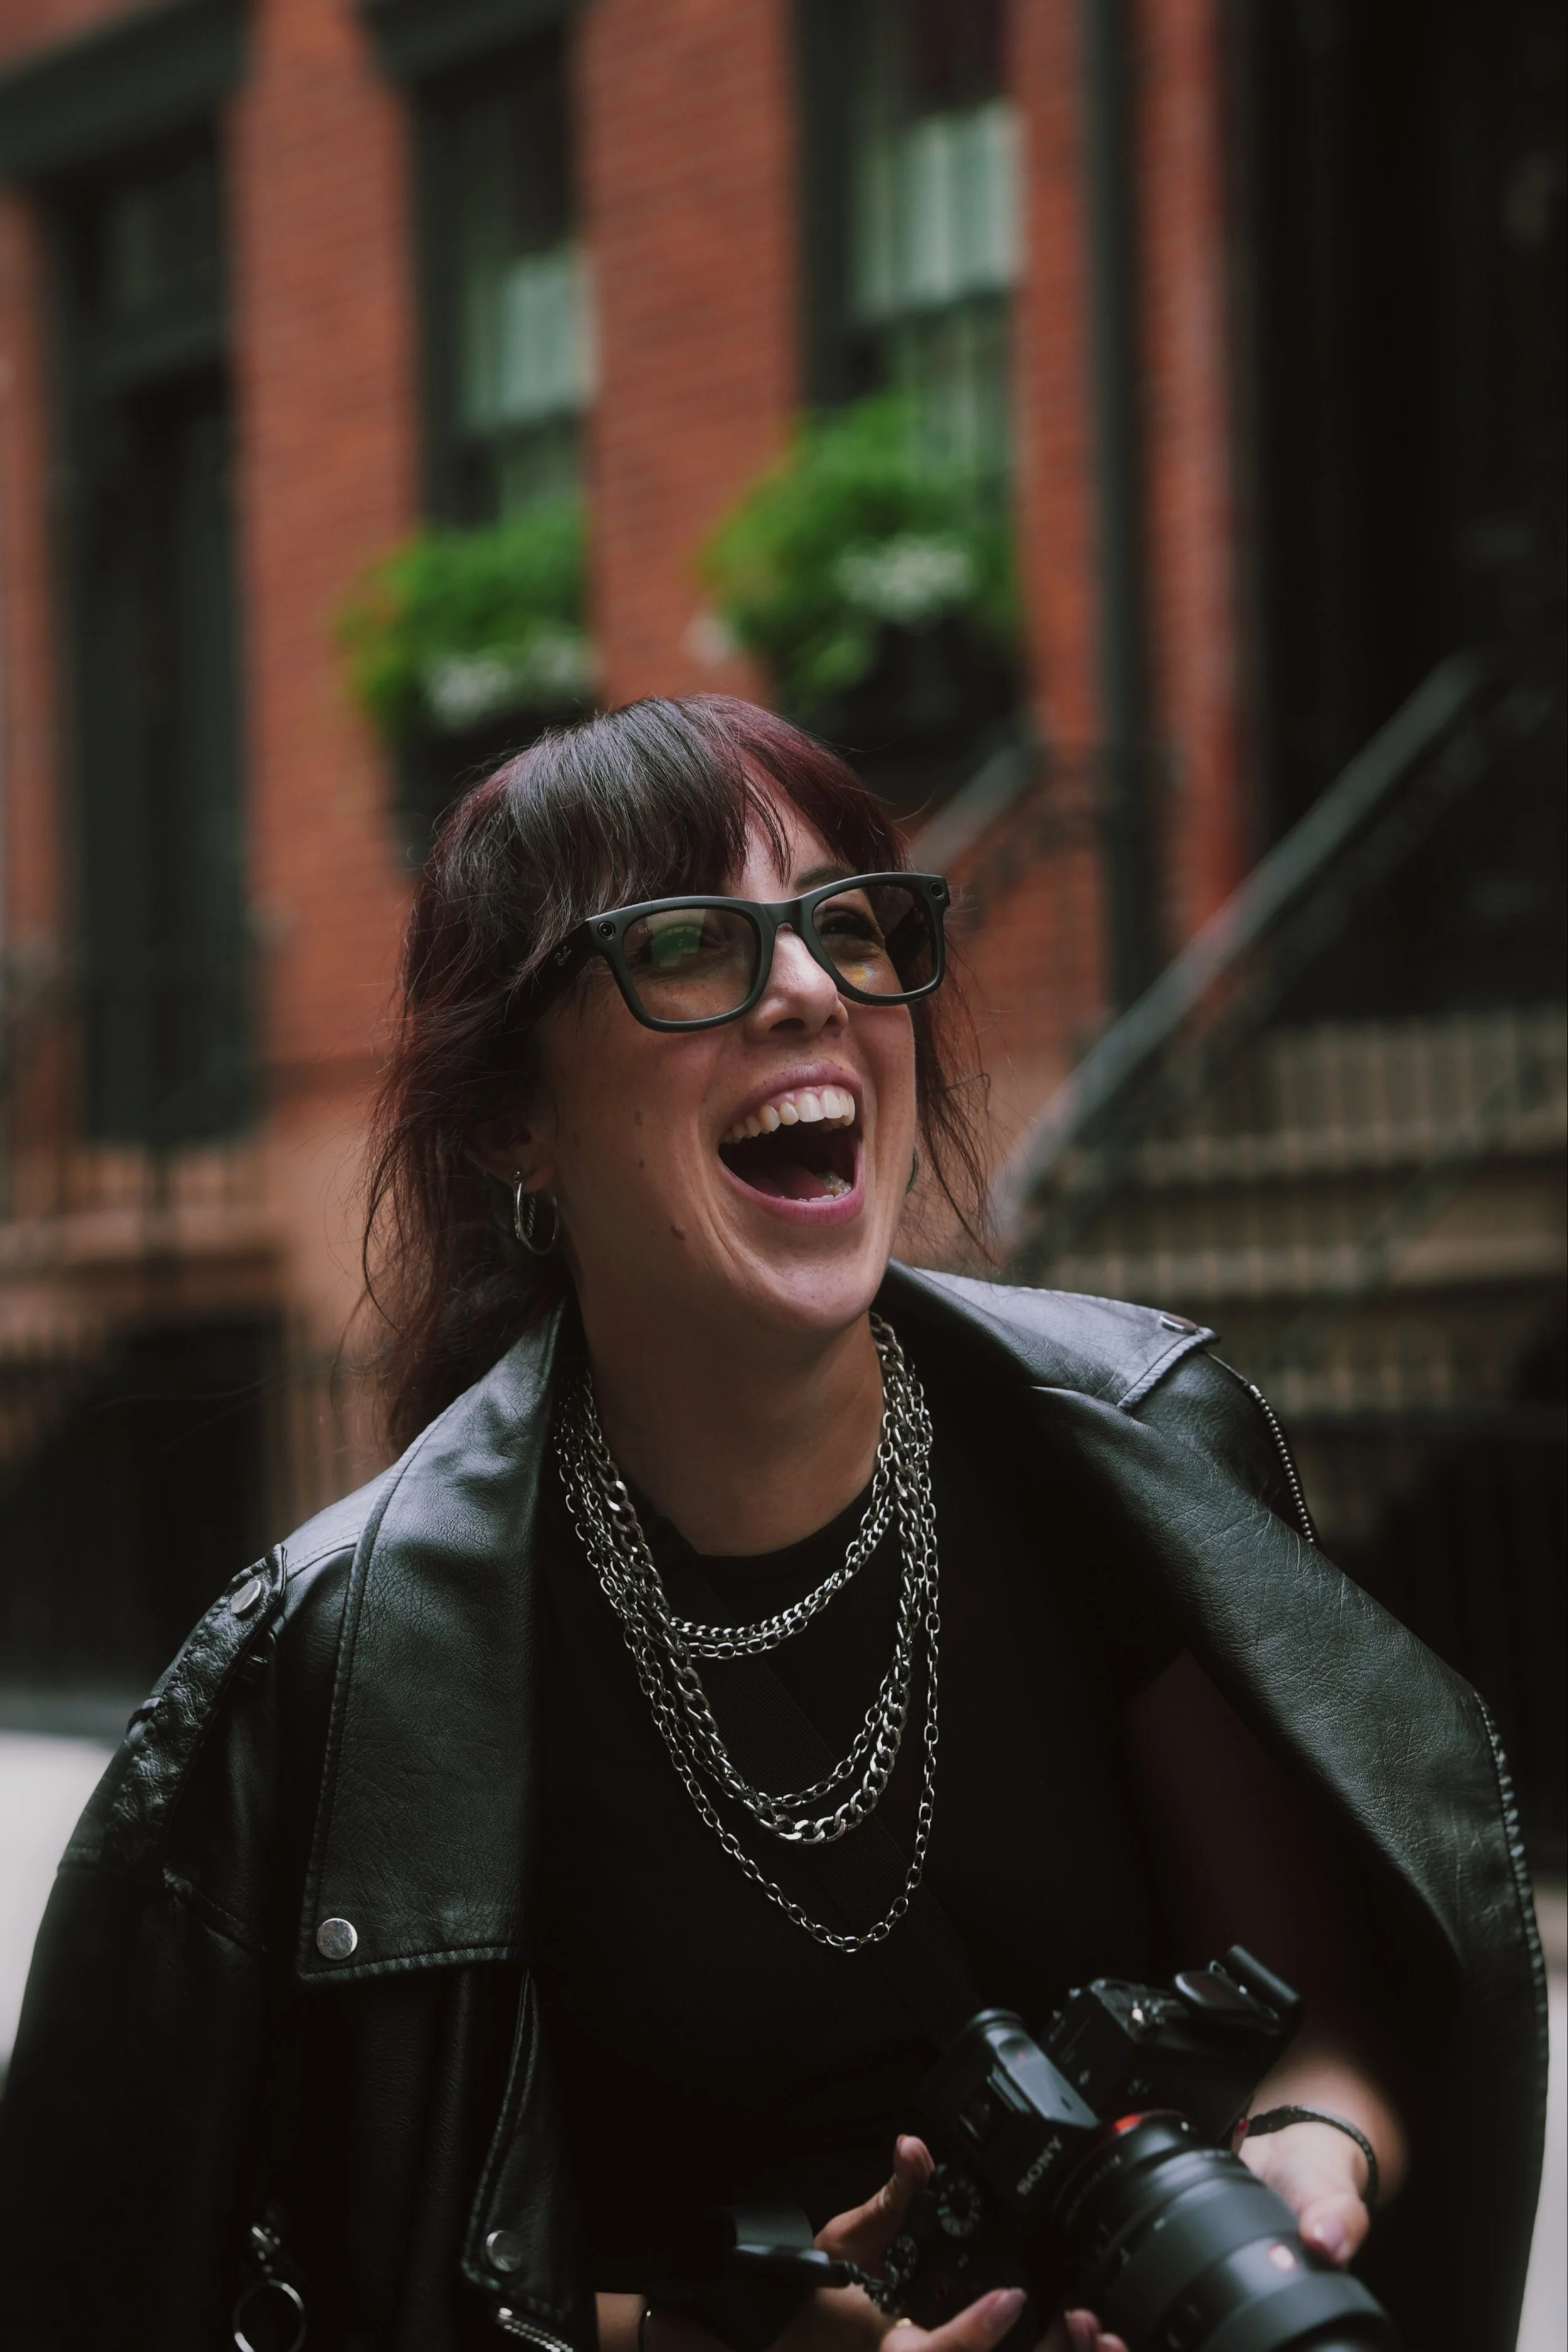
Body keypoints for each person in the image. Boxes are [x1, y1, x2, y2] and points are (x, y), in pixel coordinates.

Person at [0, 697, 1544, 2352]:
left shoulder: (1119, 1462)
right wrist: (754, 2339)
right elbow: (298, 2261)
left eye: (848, 925)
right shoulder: (344, 1671)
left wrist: (1299, 2159)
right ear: (514, 1119)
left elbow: (1320, 1999)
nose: (806, 985)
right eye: (685, 945)